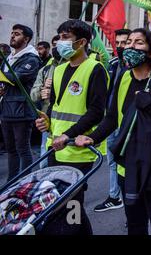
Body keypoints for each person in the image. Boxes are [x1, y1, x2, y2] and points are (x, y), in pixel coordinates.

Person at [75, 28, 151, 235]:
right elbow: (112, 118)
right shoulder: (123, 77)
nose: (130, 47)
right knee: (135, 226)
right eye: (128, 43)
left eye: (139, 42)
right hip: (128, 168)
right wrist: (92, 137)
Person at [35, 20, 108, 220]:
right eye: (59, 38)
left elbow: (96, 111)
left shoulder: (96, 69)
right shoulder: (58, 69)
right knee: (57, 200)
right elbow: (55, 106)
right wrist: (46, 121)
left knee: (73, 204)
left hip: (78, 148)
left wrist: (68, 134)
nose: (60, 42)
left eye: (66, 37)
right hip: (54, 146)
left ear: (82, 42)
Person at [94, 28, 131, 212]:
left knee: (127, 164)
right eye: (117, 43)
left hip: (127, 124)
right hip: (111, 121)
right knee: (112, 162)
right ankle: (114, 196)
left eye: (124, 43)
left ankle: (132, 206)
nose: (120, 46)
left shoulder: (135, 66)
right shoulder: (114, 64)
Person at [0, 24, 40, 181]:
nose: (12, 36)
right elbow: (5, 81)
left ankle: (24, 181)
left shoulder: (32, 58)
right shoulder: (9, 58)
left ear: (26, 39)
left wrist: (4, 78)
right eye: (12, 33)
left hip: (22, 111)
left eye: (17, 34)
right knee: (11, 150)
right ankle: (11, 182)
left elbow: (15, 78)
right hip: (6, 109)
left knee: (22, 149)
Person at [30, 35, 62, 168]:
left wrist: (54, 91)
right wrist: (42, 90)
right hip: (47, 118)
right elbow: (32, 95)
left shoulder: (76, 68)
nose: (56, 48)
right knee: (45, 153)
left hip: (66, 121)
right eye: (54, 45)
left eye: (59, 45)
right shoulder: (46, 70)